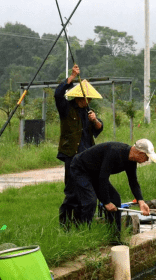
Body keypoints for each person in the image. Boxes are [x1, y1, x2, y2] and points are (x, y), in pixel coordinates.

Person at [70, 140, 156, 231]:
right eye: (147, 157)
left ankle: (114, 236)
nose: (147, 160)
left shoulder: (131, 161)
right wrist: (106, 202)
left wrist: (141, 202)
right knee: (90, 201)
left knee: (115, 199)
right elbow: (103, 178)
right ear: (140, 153)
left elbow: (133, 181)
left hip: (96, 173)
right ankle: (82, 231)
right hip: (81, 169)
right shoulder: (115, 152)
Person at [55, 64, 104, 227]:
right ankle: (66, 224)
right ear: (79, 97)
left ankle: (82, 222)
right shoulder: (66, 109)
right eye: (86, 98)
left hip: (87, 157)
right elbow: (57, 94)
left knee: (87, 189)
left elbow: (99, 128)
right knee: (71, 191)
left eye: (90, 99)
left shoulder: (89, 112)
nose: (88, 101)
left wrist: (95, 121)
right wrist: (71, 78)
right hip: (71, 155)